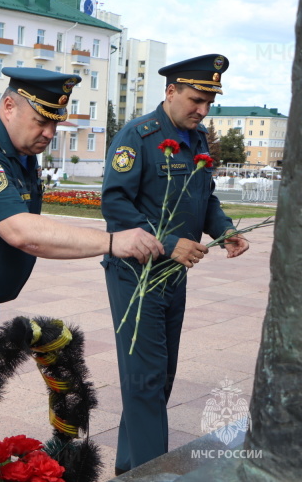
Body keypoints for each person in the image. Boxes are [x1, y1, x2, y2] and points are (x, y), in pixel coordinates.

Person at [0, 68, 164, 482]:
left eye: (56, 121)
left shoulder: (20, 154)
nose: (50, 132)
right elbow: (23, 233)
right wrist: (111, 242)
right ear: (8, 106)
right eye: (42, 120)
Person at [101, 54, 250, 475]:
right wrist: (168, 244)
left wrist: (223, 230)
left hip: (172, 277)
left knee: (158, 380)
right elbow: (113, 204)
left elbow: (205, 196)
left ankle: (131, 469)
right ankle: (152, 473)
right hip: (136, 275)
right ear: (170, 92)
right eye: (195, 100)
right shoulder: (138, 137)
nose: (202, 110)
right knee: (146, 382)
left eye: (208, 103)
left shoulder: (197, 138)